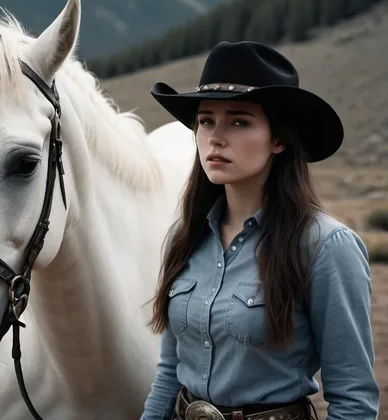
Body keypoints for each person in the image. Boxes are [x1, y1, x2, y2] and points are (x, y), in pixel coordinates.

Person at [140, 41, 380, 420]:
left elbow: (353, 398)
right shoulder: (185, 238)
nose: (216, 137)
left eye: (239, 121)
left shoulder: (325, 247)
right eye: (205, 121)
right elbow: (170, 374)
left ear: (279, 139)